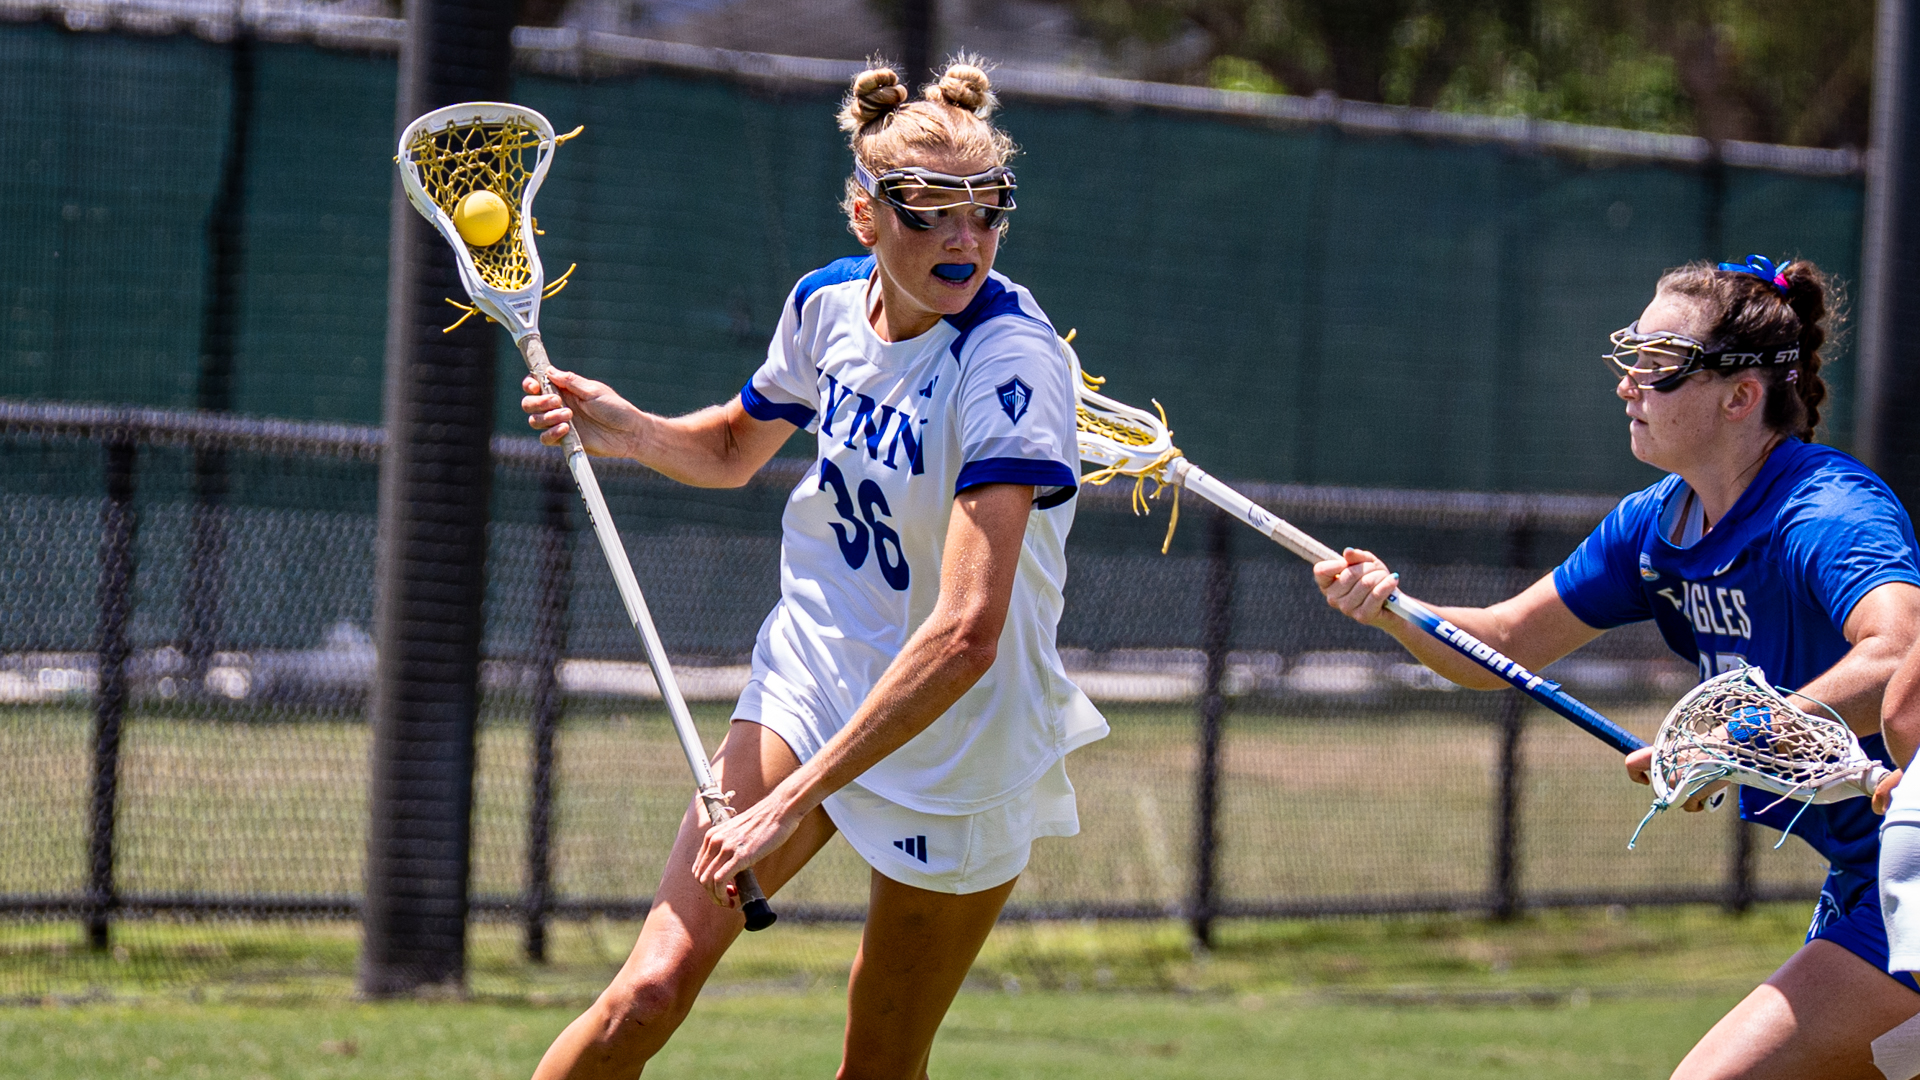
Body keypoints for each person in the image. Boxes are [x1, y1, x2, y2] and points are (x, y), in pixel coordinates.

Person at [519, 58, 1107, 1080]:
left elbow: (968, 634)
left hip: (954, 732)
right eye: (929, 213)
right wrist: (630, 428)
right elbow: (730, 450)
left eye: (987, 212)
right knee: (646, 992)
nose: (963, 239)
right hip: (817, 673)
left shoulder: (1010, 366)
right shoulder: (827, 305)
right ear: (865, 216)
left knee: (879, 1064)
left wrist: (786, 808)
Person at [1315, 255, 1920, 1080]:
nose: (1629, 384)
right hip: (1867, 877)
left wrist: (1733, 737)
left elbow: (1897, 658)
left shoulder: (1829, 510)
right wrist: (1393, 607)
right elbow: (1503, 644)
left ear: (1742, 396)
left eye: (1661, 364)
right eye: (1630, 356)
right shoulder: (1652, 529)